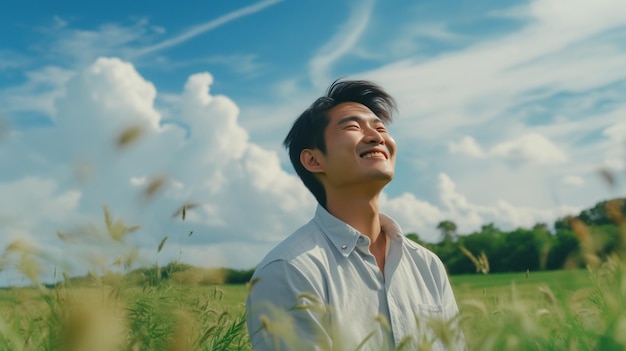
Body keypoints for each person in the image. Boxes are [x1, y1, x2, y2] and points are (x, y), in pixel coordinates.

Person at [246, 79, 465, 351]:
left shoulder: (427, 265)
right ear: (314, 160)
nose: (376, 137)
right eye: (352, 126)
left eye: (380, 127)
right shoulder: (289, 270)